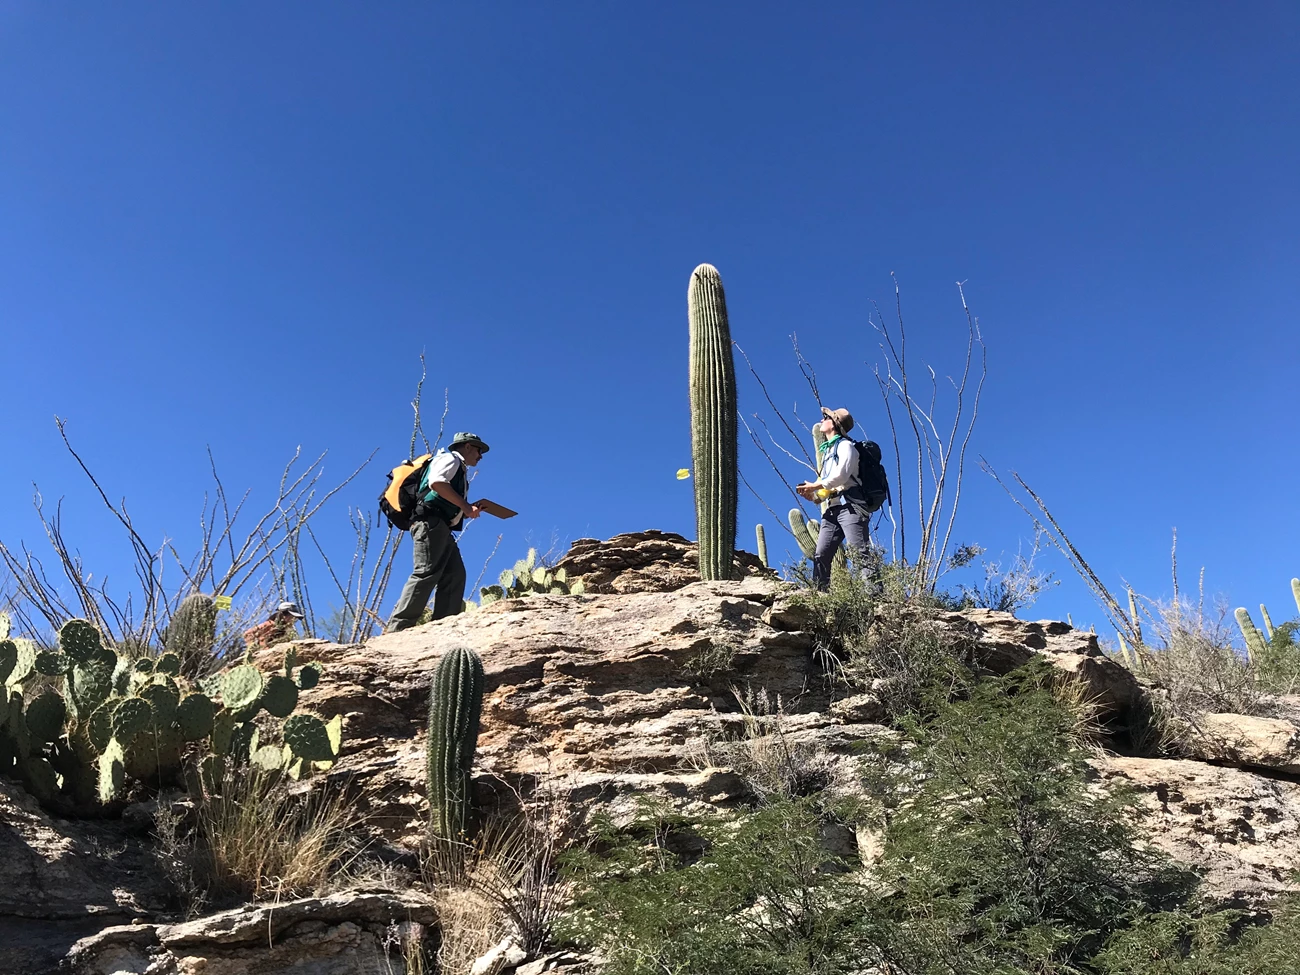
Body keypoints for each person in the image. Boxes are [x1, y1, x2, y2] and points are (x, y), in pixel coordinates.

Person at [385, 431, 489, 632]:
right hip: (430, 523)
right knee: (426, 572)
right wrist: (466, 507)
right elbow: (437, 483)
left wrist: (465, 509)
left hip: (440, 526)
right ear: (467, 446)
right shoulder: (450, 459)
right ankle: (398, 629)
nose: (480, 455)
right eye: (478, 450)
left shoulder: (458, 467)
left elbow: (440, 493)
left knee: (455, 574)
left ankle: (443, 626)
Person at [796, 407, 871, 590]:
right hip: (833, 509)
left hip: (851, 507)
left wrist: (815, 485)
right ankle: (820, 596)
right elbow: (827, 487)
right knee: (821, 554)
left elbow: (841, 476)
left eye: (825, 418)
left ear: (835, 424)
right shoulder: (829, 452)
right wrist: (813, 497)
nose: (821, 421)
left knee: (860, 554)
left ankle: (876, 598)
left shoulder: (846, 446)